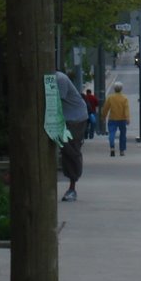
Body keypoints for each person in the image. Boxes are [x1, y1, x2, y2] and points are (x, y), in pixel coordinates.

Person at [55, 71, 88, 202]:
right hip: (65, 119)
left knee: (71, 150)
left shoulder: (60, 79)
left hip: (75, 119)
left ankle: (72, 186)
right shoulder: (50, 79)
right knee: (65, 150)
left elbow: (56, 101)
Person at [100, 81, 131, 157]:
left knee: (112, 134)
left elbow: (105, 108)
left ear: (114, 89)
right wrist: (127, 118)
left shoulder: (110, 98)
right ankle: (122, 150)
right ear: (121, 89)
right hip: (122, 119)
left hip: (112, 119)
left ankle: (112, 148)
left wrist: (103, 116)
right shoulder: (124, 98)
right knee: (123, 135)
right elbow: (126, 109)